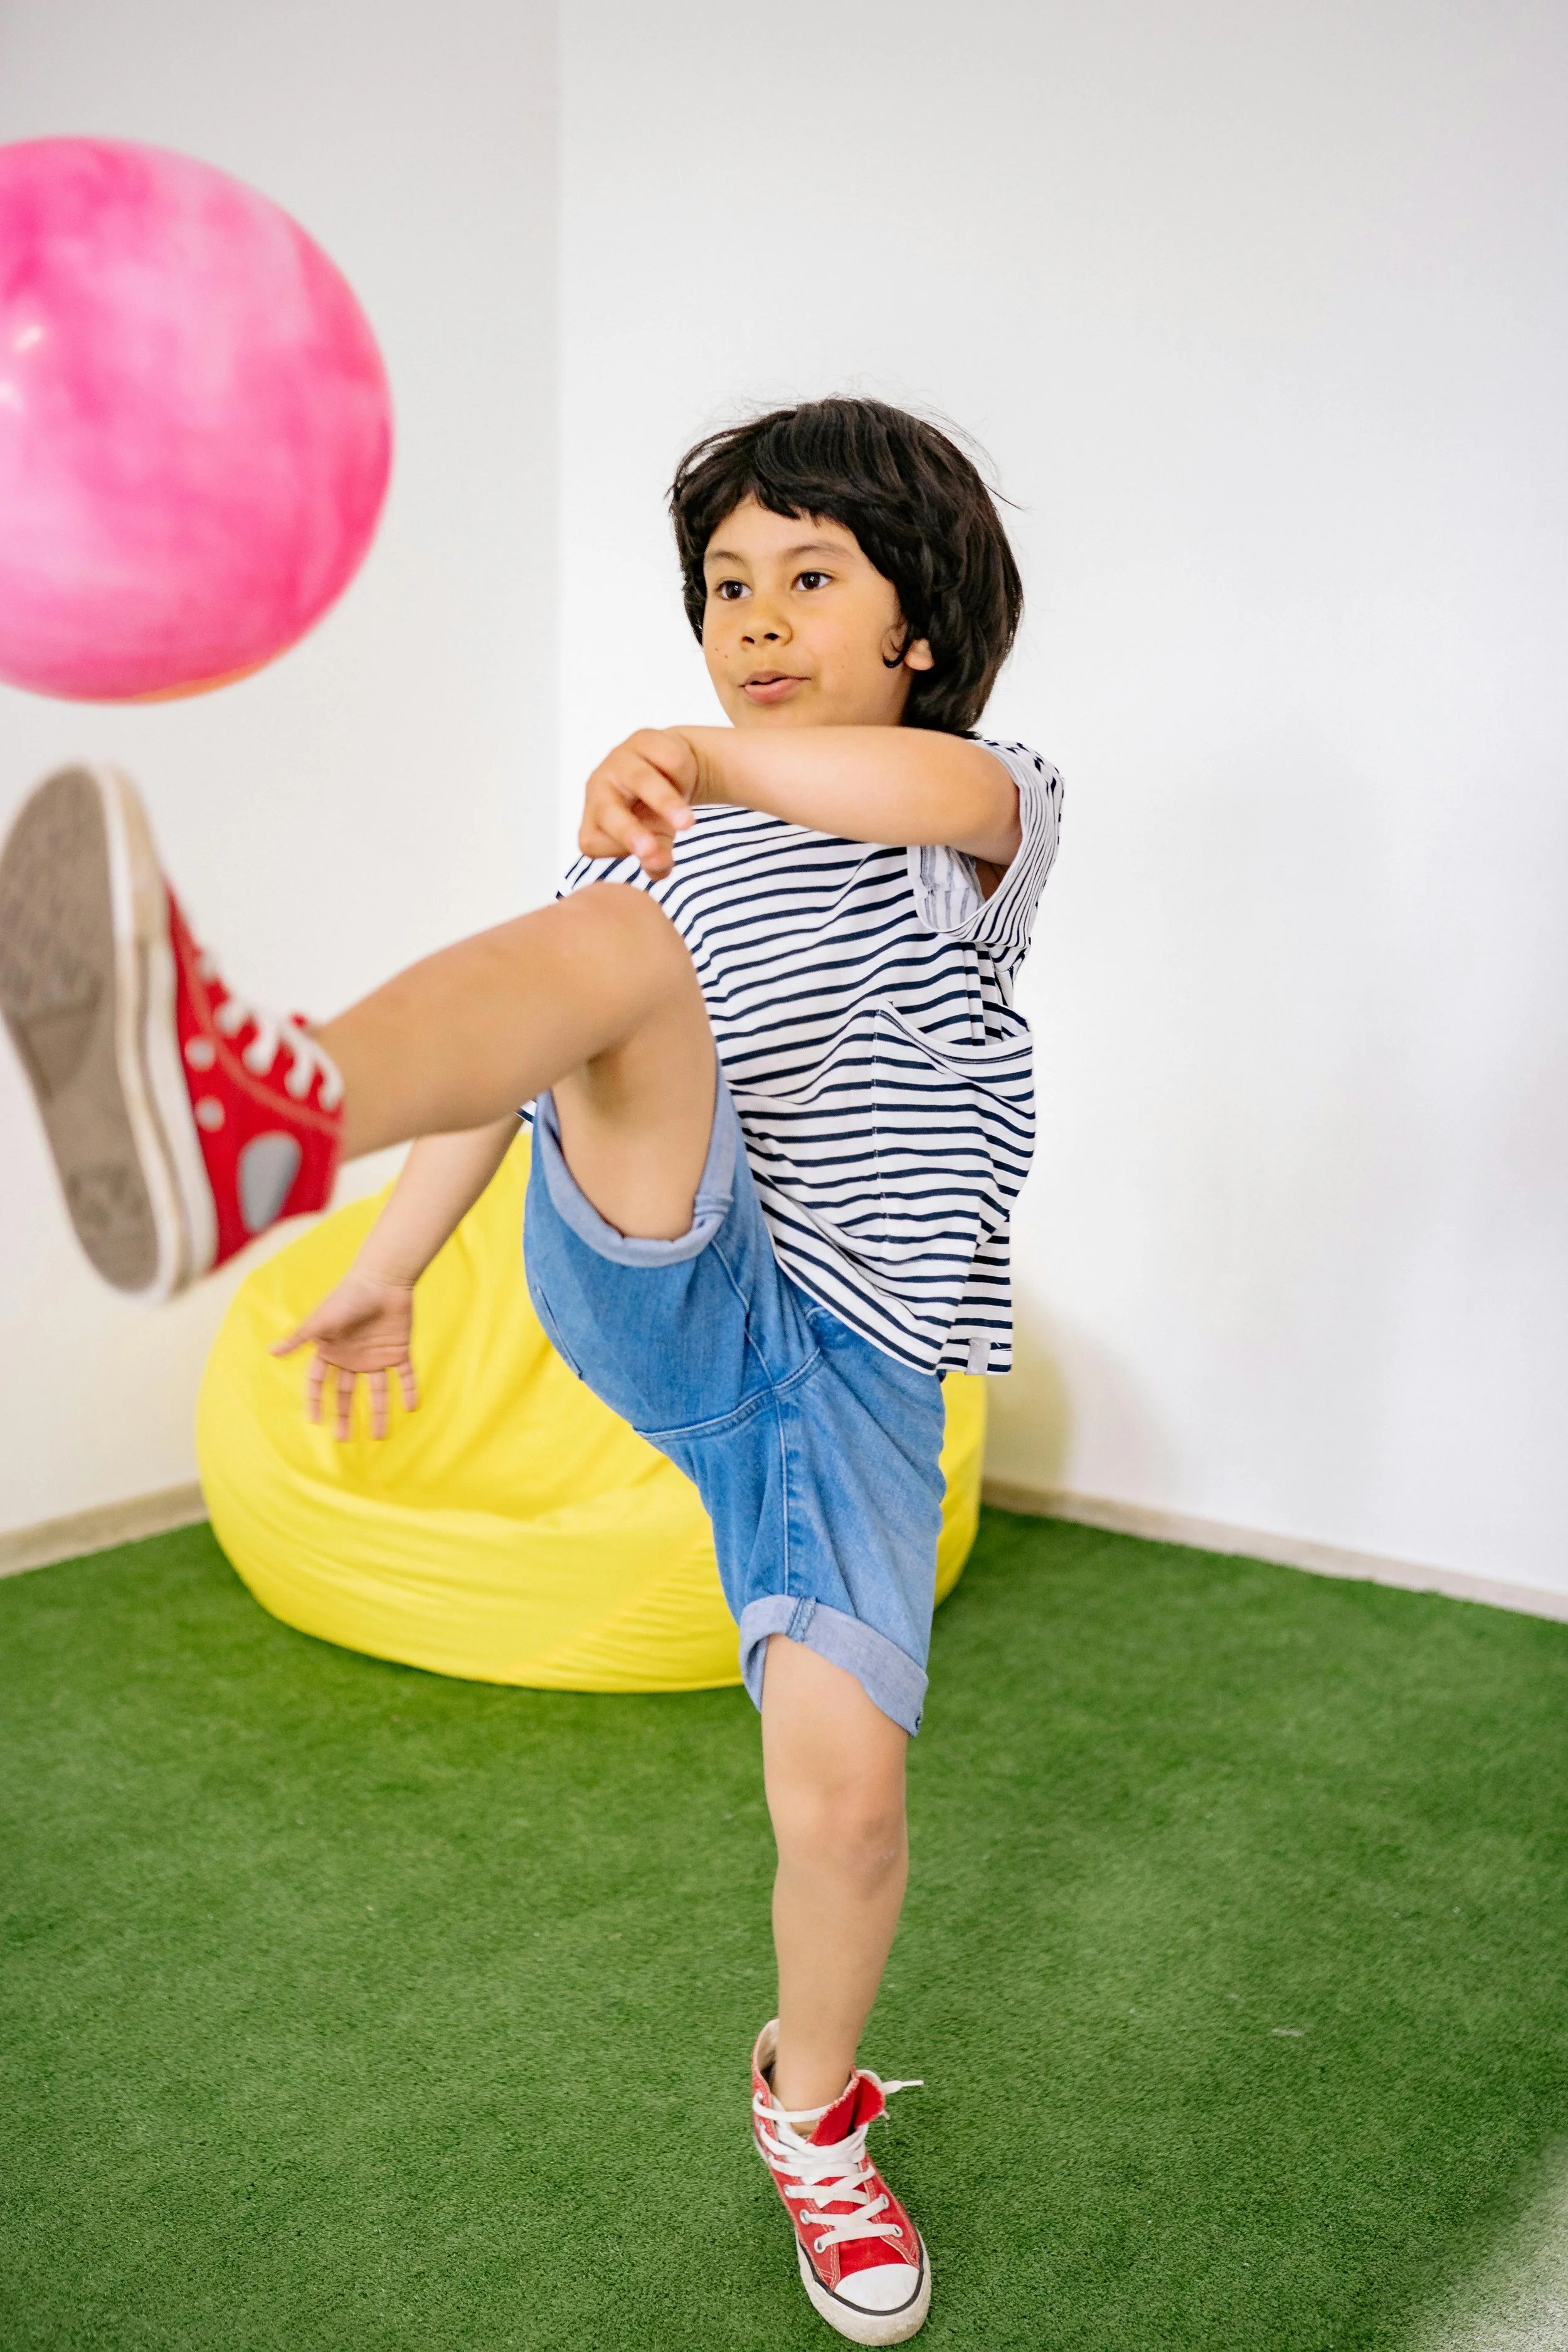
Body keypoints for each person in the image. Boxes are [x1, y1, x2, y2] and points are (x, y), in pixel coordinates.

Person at [0, 396, 1060, 2345]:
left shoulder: (977, 804)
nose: (752, 612)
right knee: (614, 955)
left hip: (855, 1377)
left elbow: (937, 798)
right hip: (675, 1264)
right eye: (726, 583)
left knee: (844, 1818)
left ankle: (809, 2111)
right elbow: (512, 1067)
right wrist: (386, 1264)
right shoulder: (659, 840)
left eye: (808, 575)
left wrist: (696, 755)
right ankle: (269, 1113)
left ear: (920, 628)